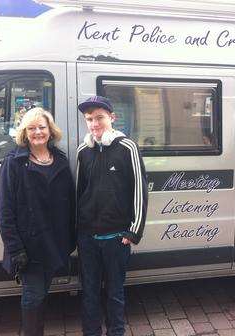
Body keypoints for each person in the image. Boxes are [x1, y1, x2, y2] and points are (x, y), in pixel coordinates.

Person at [0, 108, 76, 336]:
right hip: (29, 249)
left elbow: (69, 203)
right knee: (33, 298)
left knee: (42, 296)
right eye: (31, 128)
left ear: (50, 131)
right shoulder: (13, 162)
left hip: (54, 244)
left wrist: (70, 240)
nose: (37, 132)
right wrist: (15, 249)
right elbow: (4, 211)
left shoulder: (60, 160)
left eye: (42, 127)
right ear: (24, 132)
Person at [76, 96, 148, 336]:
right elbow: (79, 193)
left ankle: (115, 332)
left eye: (99, 118)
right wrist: (78, 231)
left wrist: (133, 231)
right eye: (89, 119)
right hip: (88, 238)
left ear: (112, 118)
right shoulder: (82, 151)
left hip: (117, 238)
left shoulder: (127, 147)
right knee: (89, 292)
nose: (94, 124)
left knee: (115, 293)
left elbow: (140, 189)